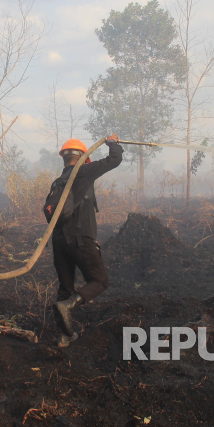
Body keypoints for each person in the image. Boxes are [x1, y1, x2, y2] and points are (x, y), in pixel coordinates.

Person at [52, 134, 122, 347]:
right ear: (83, 157)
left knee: (65, 288)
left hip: (58, 243)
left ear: (64, 158)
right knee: (101, 281)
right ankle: (71, 304)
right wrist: (112, 142)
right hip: (81, 240)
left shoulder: (58, 181)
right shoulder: (83, 172)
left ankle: (65, 336)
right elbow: (115, 159)